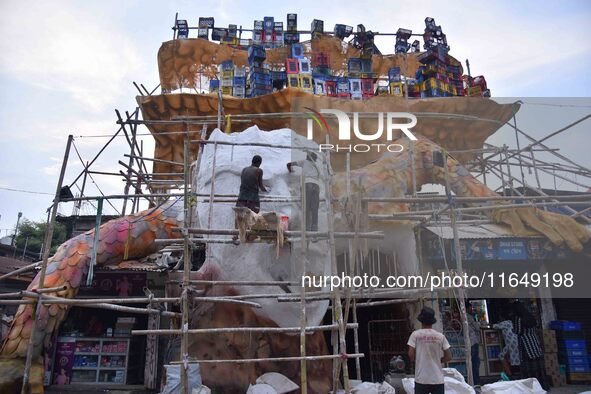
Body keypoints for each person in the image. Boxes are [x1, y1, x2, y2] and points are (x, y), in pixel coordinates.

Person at [408, 306, 452, 394]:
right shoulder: (440, 336)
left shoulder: (415, 335)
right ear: (432, 322)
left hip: (421, 379)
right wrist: (438, 360)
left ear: (421, 321)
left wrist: (417, 360)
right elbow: (449, 356)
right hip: (437, 379)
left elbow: (410, 354)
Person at [512, 301, 548, 389]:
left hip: (526, 344)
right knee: (538, 365)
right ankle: (543, 385)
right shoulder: (530, 316)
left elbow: (518, 331)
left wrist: (513, 329)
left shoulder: (519, 318)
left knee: (529, 366)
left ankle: (531, 387)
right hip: (534, 342)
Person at [287, 152, 321, 231]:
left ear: (307, 157)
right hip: (316, 186)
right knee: (315, 208)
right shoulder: (316, 166)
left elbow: (289, 164)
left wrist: (290, 170)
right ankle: (314, 229)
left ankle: (307, 228)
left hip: (307, 184)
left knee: (306, 207)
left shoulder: (303, 162)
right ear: (314, 159)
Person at [493, 313, 520, 378]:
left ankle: (509, 374)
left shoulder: (505, 323)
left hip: (510, 344)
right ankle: (509, 372)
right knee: (513, 357)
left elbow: (495, 326)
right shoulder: (511, 322)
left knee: (501, 356)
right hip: (515, 342)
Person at [466, 302, 481, 386]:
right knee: (475, 361)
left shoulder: (465, 317)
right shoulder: (469, 317)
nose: (472, 309)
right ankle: (476, 380)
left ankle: (473, 380)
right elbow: (477, 327)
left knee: (472, 361)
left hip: (469, 341)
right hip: (473, 341)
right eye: (470, 308)